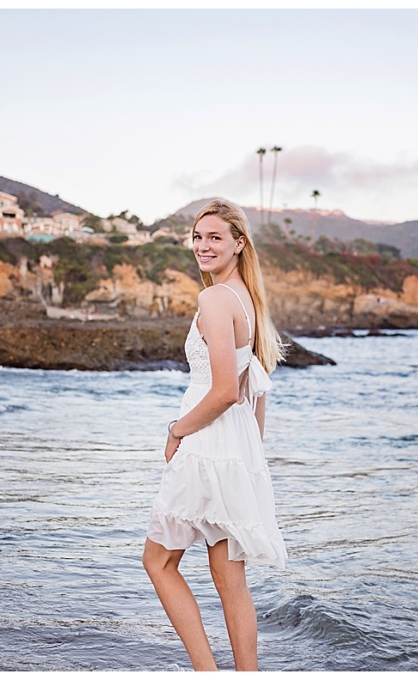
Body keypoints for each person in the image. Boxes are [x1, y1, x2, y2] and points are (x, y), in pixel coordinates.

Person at [143, 199, 287, 671]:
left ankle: (207, 672)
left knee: (159, 563)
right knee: (229, 578)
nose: (203, 246)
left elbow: (225, 390)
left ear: (238, 244)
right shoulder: (247, 298)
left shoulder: (215, 298)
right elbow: (255, 391)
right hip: (232, 448)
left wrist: (176, 431)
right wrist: (248, 461)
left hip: (204, 442)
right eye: (198, 237)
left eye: (215, 238)